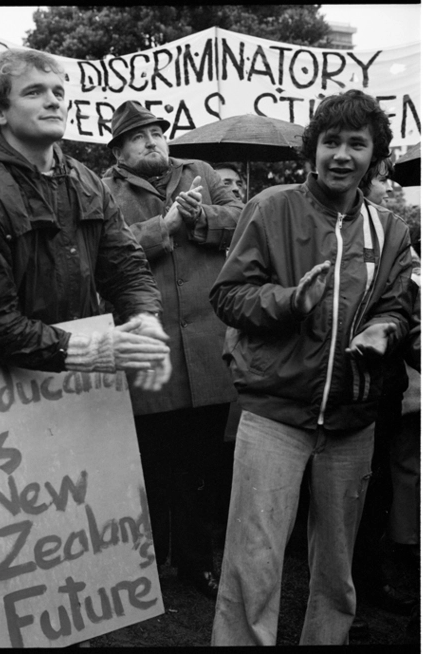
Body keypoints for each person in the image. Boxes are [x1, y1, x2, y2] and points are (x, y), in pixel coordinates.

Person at [0, 49, 172, 646]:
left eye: (61, 90)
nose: (55, 99)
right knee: (5, 556)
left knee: (75, 540)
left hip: (69, 393)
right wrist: (90, 353)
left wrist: (144, 320)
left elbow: (125, 263)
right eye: (36, 91)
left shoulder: (84, 179)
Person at [209, 89, 413, 646]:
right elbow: (227, 296)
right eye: (330, 142)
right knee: (252, 565)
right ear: (312, 149)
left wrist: (384, 330)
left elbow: (400, 305)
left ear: (375, 154)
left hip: (353, 421)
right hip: (273, 415)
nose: (341, 155)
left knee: (336, 578)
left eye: (356, 143)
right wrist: (289, 302)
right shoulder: (272, 207)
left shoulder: (390, 229)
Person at [102, 101, 243, 598]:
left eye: (158, 132)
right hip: (150, 352)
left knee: (201, 466)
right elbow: (106, 251)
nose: (153, 141)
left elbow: (241, 219)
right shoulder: (104, 190)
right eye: (139, 136)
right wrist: (164, 229)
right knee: (151, 464)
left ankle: (195, 563)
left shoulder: (201, 172)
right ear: (118, 150)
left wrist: (199, 215)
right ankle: (147, 567)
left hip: (205, 351)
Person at [350, 157, 417, 623]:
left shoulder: (398, 238)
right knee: (340, 499)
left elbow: (407, 313)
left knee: (375, 493)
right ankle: (336, 590)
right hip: (337, 389)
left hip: (385, 387)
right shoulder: (326, 231)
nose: (383, 190)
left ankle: (369, 582)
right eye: (379, 181)